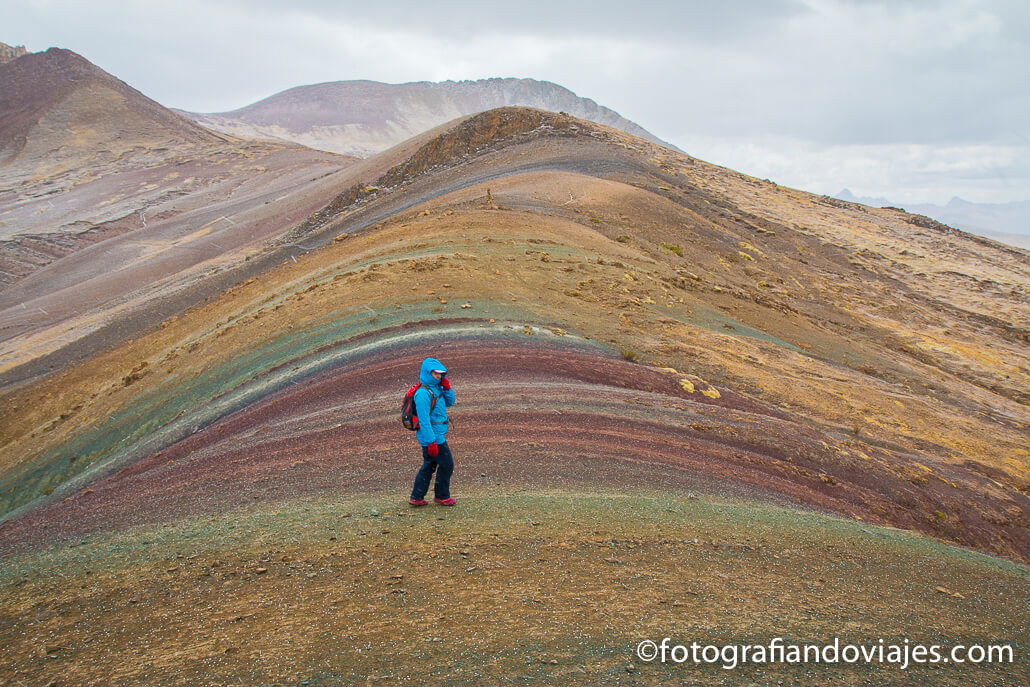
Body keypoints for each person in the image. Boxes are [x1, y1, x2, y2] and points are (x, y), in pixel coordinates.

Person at [408, 357, 457, 506]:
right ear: (428, 373)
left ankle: (417, 497)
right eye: (436, 374)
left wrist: (447, 388)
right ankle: (442, 496)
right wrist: (431, 442)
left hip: (435, 434)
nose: (439, 376)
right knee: (447, 464)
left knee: (429, 465)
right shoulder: (422, 394)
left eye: (441, 374)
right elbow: (424, 421)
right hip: (432, 436)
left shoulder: (437, 388)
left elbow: (451, 402)